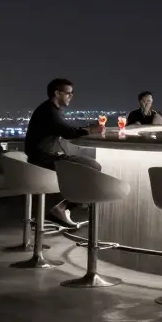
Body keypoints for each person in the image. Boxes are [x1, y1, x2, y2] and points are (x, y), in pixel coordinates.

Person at [24, 78, 104, 227]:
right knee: (93, 167)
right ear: (57, 93)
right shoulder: (49, 111)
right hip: (43, 158)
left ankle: (65, 205)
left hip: (40, 157)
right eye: (68, 93)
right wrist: (91, 130)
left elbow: (65, 129)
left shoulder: (47, 109)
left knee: (87, 166)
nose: (71, 96)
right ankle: (63, 207)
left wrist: (85, 130)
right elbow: (68, 132)